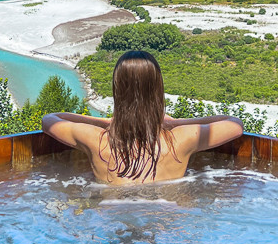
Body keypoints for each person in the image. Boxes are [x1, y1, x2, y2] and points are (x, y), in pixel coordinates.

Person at [41, 49, 243, 185]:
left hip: (111, 223)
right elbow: (234, 124)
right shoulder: (182, 139)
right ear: (157, 89)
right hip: (169, 225)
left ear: (117, 90)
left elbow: (50, 119)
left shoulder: (96, 140)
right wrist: (174, 123)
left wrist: (104, 123)